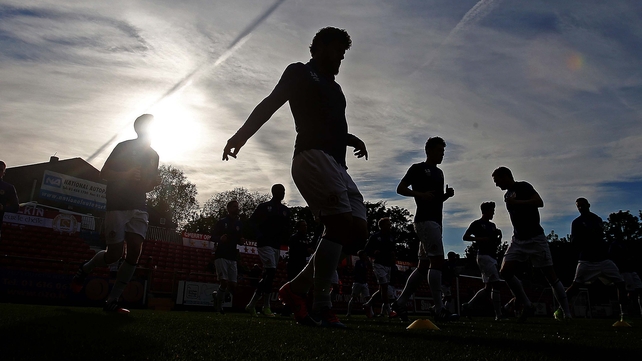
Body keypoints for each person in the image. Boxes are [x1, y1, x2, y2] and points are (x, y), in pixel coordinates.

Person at [222, 27, 369, 328]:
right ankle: (321, 305)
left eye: (344, 50)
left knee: (356, 228)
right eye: (337, 48)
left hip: (336, 164)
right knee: (339, 224)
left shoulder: (336, 89)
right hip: (311, 156)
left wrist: (352, 139)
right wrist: (241, 136)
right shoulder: (300, 72)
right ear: (319, 47)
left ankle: (295, 290)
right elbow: (271, 102)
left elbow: (335, 127)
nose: (341, 55)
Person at [71, 114, 160, 313]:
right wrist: (126, 175)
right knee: (114, 255)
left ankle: (112, 300)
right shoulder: (123, 147)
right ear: (139, 129)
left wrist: (153, 183)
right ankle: (85, 268)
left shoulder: (154, 155)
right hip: (117, 205)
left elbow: (146, 186)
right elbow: (104, 174)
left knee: (135, 250)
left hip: (139, 206)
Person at [391, 137, 458, 323]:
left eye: (443, 152)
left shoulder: (440, 172)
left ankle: (400, 302)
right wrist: (419, 194)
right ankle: (439, 308)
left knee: (423, 266)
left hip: (435, 221)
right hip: (425, 221)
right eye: (438, 151)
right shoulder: (418, 168)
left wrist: (446, 196)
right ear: (428, 151)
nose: (441, 154)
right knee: (437, 263)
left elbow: (434, 199)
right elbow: (401, 188)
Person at [491, 166, 571, 322]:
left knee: (550, 276)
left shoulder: (523, 186)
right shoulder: (507, 195)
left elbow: (539, 202)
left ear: (505, 176)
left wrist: (518, 202)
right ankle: (527, 304)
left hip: (535, 238)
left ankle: (566, 313)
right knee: (505, 271)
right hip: (518, 239)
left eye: (497, 180)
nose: (496, 184)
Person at [559, 198, 628, 320]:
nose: (580, 208)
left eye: (582, 205)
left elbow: (600, 237)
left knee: (621, 283)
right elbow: (574, 242)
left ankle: (624, 315)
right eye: (578, 206)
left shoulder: (597, 220)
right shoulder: (577, 222)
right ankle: (560, 310)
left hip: (603, 259)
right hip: (586, 260)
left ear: (588, 205)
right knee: (575, 286)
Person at [245, 184, 291, 317]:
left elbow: (287, 227)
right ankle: (265, 306)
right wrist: (259, 234)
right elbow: (252, 222)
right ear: (273, 192)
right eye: (279, 190)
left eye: (283, 191)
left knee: (268, 275)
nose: (282, 193)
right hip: (264, 244)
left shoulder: (285, 210)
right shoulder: (264, 207)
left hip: (276, 245)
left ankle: (253, 305)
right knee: (270, 272)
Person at [461, 202, 504, 320]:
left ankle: (468, 306)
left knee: (488, 287)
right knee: (496, 283)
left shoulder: (493, 225)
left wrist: (498, 238)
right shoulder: (477, 224)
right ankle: (498, 315)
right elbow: (466, 237)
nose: (493, 213)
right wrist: (480, 239)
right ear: (485, 211)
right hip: (484, 256)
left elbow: (493, 241)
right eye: (491, 210)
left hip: (491, 255)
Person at [210, 200, 246, 313]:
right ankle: (219, 306)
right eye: (234, 206)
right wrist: (220, 238)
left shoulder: (239, 224)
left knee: (233, 285)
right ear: (229, 208)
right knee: (224, 282)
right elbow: (213, 237)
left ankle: (217, 296)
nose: (237, 208)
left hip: (232, 256)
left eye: (237, 206)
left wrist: (241, 240)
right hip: (221, 255)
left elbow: (240, 238)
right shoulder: (222, 222)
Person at [363, 217, 397, 318]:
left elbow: (393, 250)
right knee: (385, 287)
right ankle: (389, 310)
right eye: (388, 224)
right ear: (382, 226)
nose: (390, 226)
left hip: (388, 265)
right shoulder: (375, 237)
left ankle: (368, 304)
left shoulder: (391, 237)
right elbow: (366, 250)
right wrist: (373, 253)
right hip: (379, 265)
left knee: (383, 289)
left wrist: (393, 257)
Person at [346, 250, 370, 317]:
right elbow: (356, 272)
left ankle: (371, 313)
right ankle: (349, 312)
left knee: (368, 298)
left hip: (364, 283)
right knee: (353, 298)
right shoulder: (358, 263)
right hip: (357, 283)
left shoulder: (365, 263)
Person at [0, 160, 19, 241]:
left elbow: (15, 207)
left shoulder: (8, 188)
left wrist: (3, 208)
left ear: (4, 173)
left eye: (0, 170)